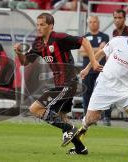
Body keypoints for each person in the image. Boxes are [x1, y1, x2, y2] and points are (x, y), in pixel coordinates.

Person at [14, 13, 101, 155]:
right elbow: (25, 62)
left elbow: (84, 41)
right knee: (61, 116)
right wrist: (18, 53)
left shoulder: (59, 38)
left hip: (67, 84)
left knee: (35, 109)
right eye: (37, 24)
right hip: (61, 84)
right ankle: (80, 148)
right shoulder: (38, 43)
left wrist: (94, 62)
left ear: (51, 26)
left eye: (42, 24)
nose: (39, 27)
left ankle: (70, 128)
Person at [76, 20, 128, 157]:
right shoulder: (118, 41)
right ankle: (84, 128)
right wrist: (88, 68)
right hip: (104, 85)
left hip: (124, 90)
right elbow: (100, 53)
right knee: (91, 119)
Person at [102, 9, 128, 126]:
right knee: (107, 89)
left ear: (125, 18)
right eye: (115, 18)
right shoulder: (114, 32)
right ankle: (106, 117)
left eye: (120, 18)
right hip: (116, 68)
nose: (117, 20)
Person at [79, 15, 109, 116]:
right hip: (87, 69)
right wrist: (98, 49)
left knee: (103, 93)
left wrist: (89, 49)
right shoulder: (84, 37)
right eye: (91, 22)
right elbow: (81, 52)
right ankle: (86, 115)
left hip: (100, 69)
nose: (93, 24)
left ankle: (105, 117)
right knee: (87, 93)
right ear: (88, 24)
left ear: (98, 23)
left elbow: (104, 51)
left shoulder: (105, 36)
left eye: (95, 21)